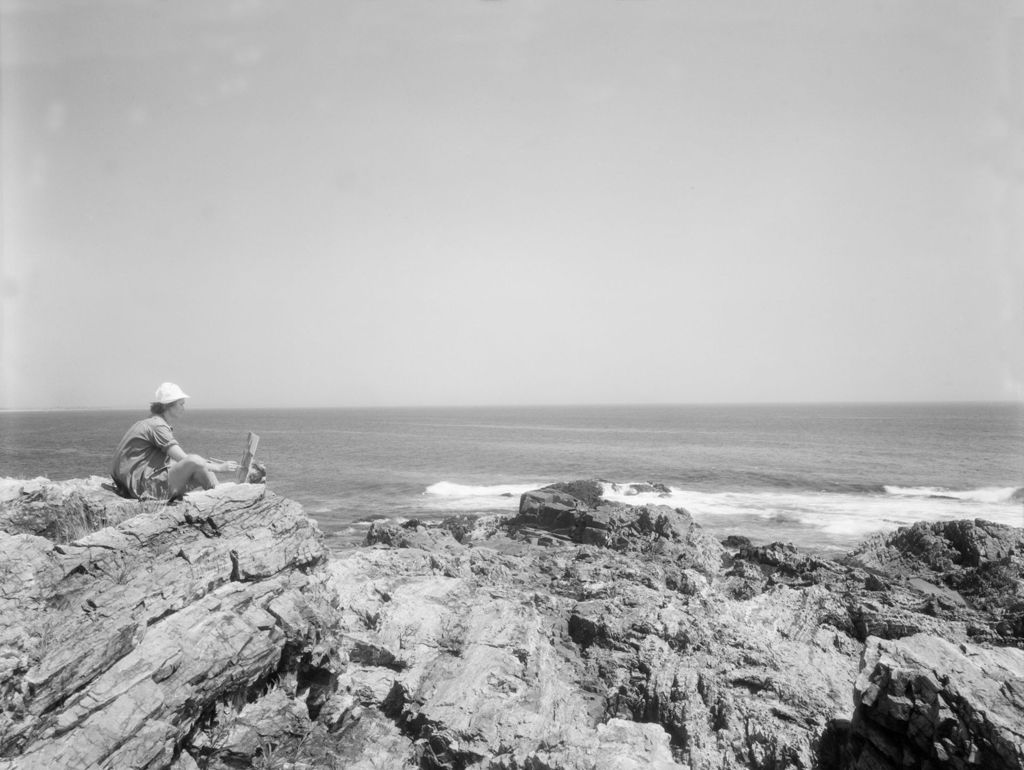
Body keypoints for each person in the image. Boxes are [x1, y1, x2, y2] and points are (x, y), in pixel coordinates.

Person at [111, 382, 239, 501]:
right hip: (145, 489)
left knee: (201, 466)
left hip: (135, 486)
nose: (184, 408)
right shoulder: (158, 426)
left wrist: (206, 464)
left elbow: (172, 462)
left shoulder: (149, 423)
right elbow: (185, 459)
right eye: (181, 404)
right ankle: (221, 500)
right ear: (168, 405)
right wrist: (220, 468)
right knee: (195, 461)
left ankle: (219, 496)